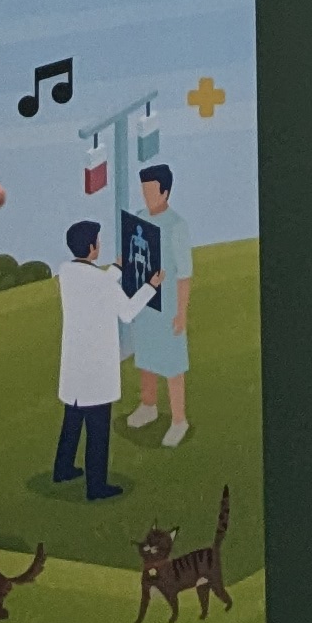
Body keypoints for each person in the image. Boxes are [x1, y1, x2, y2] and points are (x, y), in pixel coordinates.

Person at [49, 216, 155, 503]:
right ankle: (96, 486)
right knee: (97, 431)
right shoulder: (101, 283)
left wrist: (116, 269)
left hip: (73, 367)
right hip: (96, 370)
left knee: (72, 422)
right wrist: (152, 286)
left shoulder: (66, 272)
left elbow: (94, 283)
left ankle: (62, 469)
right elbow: (128, 312)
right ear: (93, 246)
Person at [120, 162, 196, 444]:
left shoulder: (177, 226)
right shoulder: (140, 219)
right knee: (147, 357)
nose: (147, 197)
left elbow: (185, 274)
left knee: (173, 363)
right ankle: (148, 406)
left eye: (151, 191)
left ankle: (179, 419)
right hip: (145, 303)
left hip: (168, 308)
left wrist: (181, 313)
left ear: (165, 192)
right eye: (143, 191)